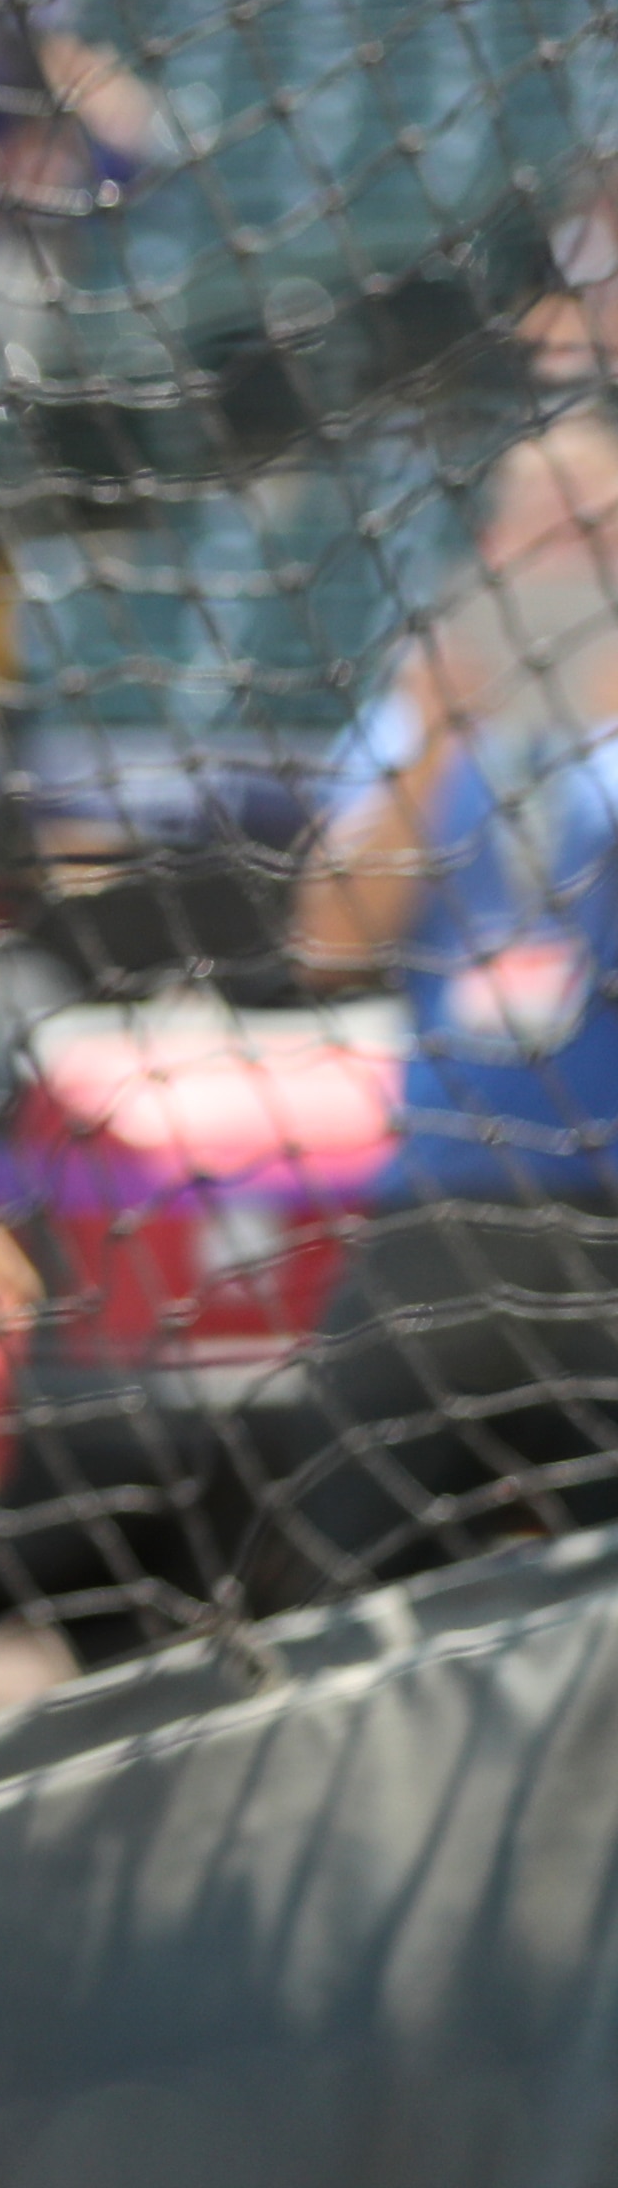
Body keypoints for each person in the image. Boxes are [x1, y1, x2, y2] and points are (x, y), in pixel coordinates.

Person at [259, 409, 618, 1597]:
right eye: (536, 526)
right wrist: (440, 738)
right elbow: (326, 938)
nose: (563, 553)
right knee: (327, 1553)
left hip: (606, 1196)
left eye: (593, 528)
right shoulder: (420, 706)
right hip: (447, 1196)